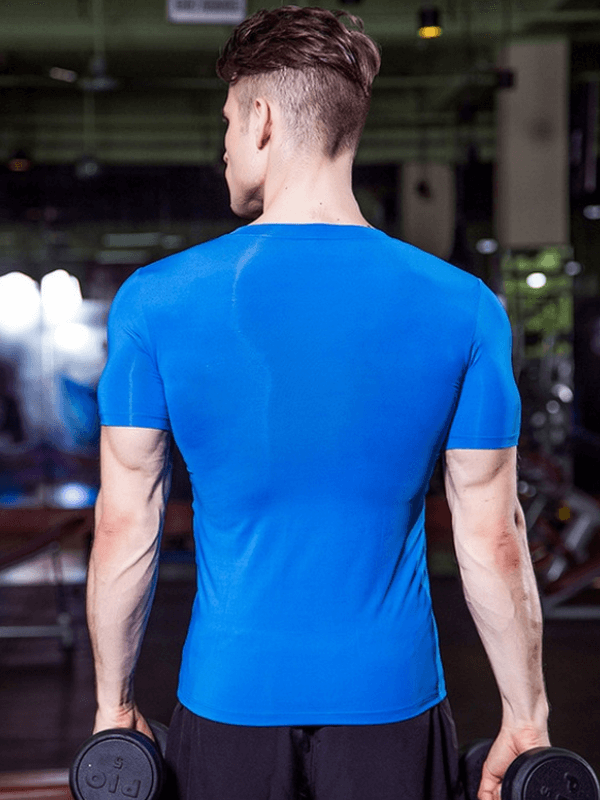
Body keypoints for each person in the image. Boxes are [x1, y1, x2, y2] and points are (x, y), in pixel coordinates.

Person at [88, 6, 550, 800]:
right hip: (392, 707)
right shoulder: (465, 306)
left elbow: (124, 524)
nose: (224, 144)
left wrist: (112, 706)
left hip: (228, 701)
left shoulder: (155, 299)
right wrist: (526, 716)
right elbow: (494, 537)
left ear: (261, 119)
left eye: (227, 121)